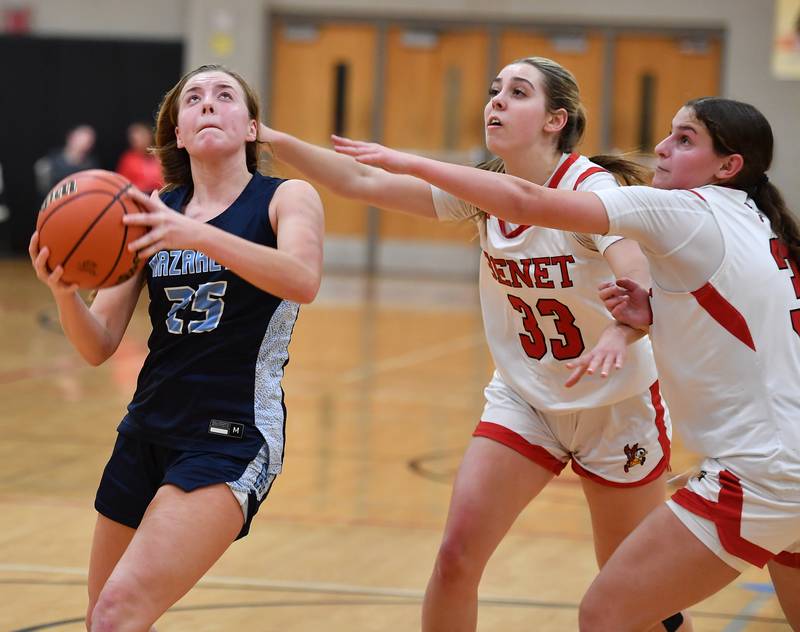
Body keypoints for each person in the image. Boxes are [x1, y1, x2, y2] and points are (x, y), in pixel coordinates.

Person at [336, 96, 800, 630]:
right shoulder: (763, 224)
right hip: (784, 464)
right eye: (669, 133)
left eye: (685, 139)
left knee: (605, 613)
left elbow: (527, 200)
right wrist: (654, 315)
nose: (661, 147)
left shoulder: (684, 210)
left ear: (728, 166)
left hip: (763, 473)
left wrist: (411, 161)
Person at [260, 56, 689, 631]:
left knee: (641, 601)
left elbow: (635, 271)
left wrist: (620, 329)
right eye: (494, 91)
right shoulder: (483, 192)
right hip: (526, 400)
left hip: (616, 408)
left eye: (517, 93)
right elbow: (361, 181)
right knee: (456, 558)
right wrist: (266, 137)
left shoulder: (589, 191)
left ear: (554, 120)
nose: (496, 101)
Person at [28, 64, 323, 630]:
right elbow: (98, 345)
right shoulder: (144, 213)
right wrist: (65, 293)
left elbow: (302, 278)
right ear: (180, 134)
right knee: (103, 620)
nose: (208, 103)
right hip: (146, 427)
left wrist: (195, 233)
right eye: (194, 98)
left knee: (118, 613)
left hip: (231, 433)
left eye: (224, 96)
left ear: (252, 128)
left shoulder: (286, 198)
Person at [34, 124, 98, 198]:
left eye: (89, 142)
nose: (85, 146)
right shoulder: (47, 164)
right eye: (81, 140)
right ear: (71, 138)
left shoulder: (92, 166)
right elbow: (45, 194)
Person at [116, 121, 163, 194]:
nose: (139, 141)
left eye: (142, 137)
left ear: (149, 136)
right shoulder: (128, 159)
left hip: (160, 196)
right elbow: (121, 183)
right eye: (134, 139)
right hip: (138, 197)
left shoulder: (159, 156)